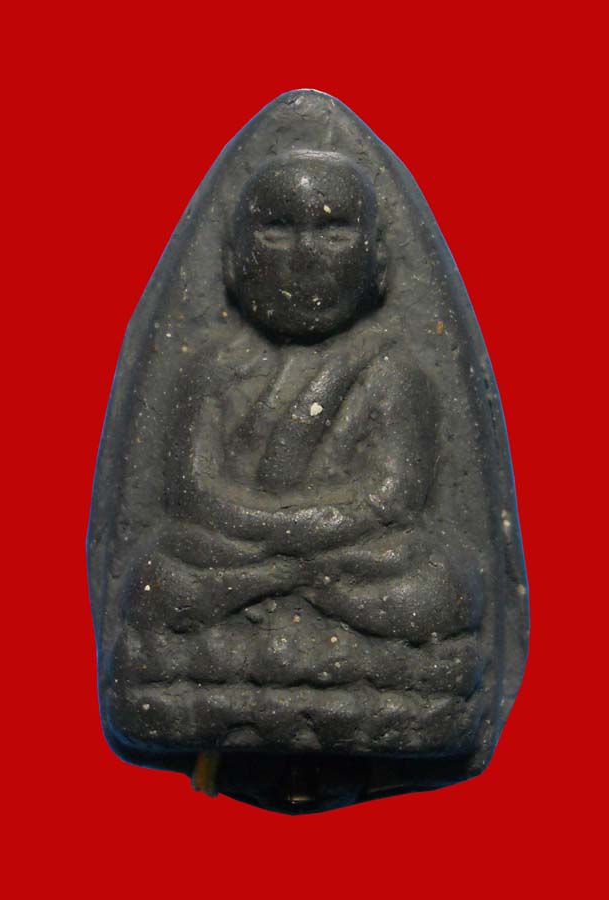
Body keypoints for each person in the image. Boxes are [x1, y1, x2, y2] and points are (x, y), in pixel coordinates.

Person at [108, 152, 484, 765]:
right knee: (160, 576)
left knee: (437, 587)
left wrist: (284, 549)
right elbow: (191, 491)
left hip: (345, 559)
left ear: (378, 263)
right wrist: (282, 546)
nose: (305, 255)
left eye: (333, 231)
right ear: (233, 260)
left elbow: (391, 498)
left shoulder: (392, 370)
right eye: (277, 229)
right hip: (245, 557)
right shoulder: (212, 368)